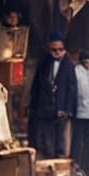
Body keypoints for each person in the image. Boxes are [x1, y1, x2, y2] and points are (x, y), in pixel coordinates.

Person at [27, 30, 75, 158]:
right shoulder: (43, 63)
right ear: (49, 49)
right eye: (54, 50)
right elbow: (36, 86)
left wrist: (66, 109)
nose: (57, 52)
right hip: (44, 109)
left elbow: (72, 89)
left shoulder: (69, 65)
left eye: (60, 49)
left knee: (62, 145)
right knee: (46, 144)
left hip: (61, 111)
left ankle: (60, 170)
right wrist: (32, 106)